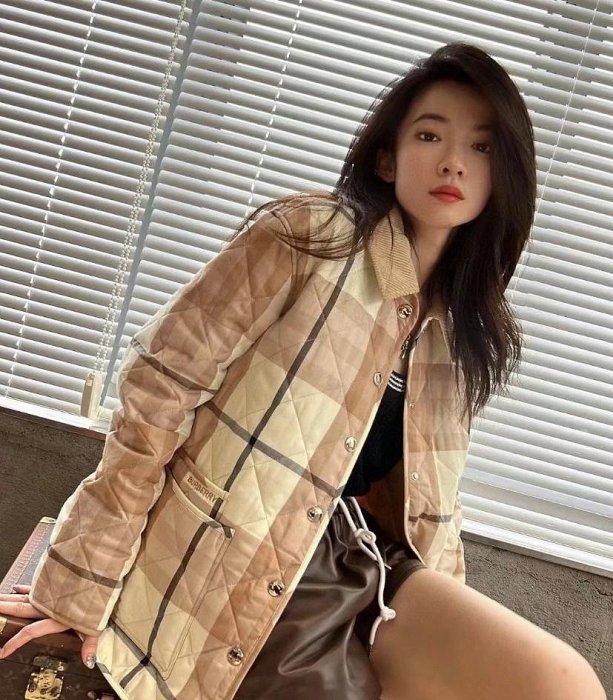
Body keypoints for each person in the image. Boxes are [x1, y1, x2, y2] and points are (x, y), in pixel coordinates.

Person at [0, 43, 606, 700]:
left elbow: (436, 508)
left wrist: (447, 627)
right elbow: (156, 395)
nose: (453, 161)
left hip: (366, 562)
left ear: (501, 176)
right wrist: (82, 582)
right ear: (386, 159)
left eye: (481, 147)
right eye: (429, 135)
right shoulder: (310, 237)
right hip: (246, 552)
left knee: (562, 682)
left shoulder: (465, 332)